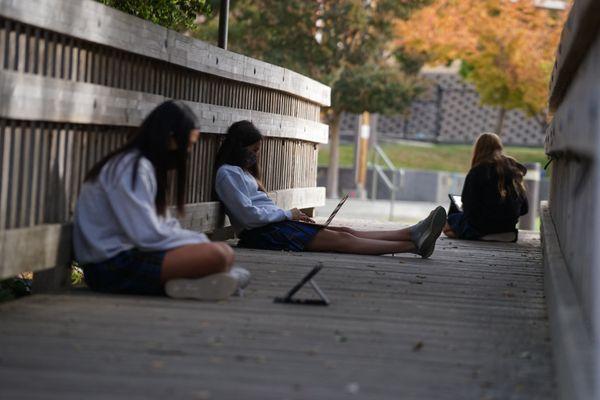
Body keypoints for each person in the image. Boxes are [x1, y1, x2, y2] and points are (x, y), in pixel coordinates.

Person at [73, 101, 249, 301]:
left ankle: (188, 285)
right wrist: (198, 242)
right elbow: (147, 235)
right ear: (171, 139)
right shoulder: (130, 168)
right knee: (219, 256)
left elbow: (160, 225)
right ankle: (213, 279)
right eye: (188, 145)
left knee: (222, 254)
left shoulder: (144, 167)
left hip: (130, 256)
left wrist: (194, 244)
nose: (188, 153)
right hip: (110, 267)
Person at [213, 120, 447, 258]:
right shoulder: (227, 174)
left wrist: (292, 217)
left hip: (273, 227)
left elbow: (258, 210)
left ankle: (412, 232)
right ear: (238, 146)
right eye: (252, 150)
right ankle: (414, 245)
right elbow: (247, 215)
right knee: (343, 241)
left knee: (344, 231)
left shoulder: (241, 172)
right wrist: (288, 214)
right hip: (263, 234)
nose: (255, 157)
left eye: (257, 152)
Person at [443, 132, 529, 240]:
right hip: (509, 230)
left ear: (478, 150)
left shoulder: (477, 171)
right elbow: (525, 209)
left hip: (482, 227)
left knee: (448, 222)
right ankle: (496, 235)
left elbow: (469, 206)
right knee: (457, 223)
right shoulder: (514, 171)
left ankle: (483, 236)